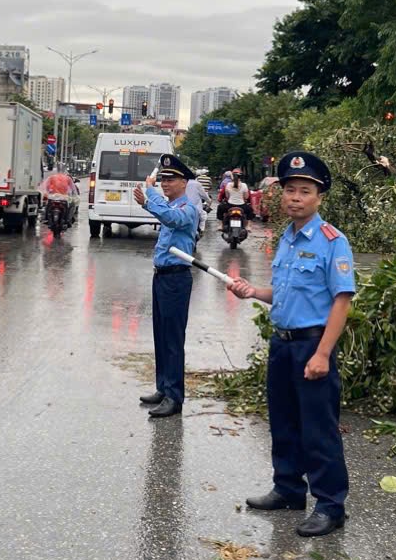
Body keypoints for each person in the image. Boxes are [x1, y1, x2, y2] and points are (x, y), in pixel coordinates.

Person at [230, 152, 356, 537]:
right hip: (281, 344)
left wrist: (322, 353)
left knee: (318, 428)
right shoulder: (284, 237)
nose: (295, 197)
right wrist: (254, 291)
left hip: (311, 346)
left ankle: (331, 505)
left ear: (319, 197)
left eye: (304, 191)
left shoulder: (332, 241)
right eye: (289, 190)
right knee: (283, 422)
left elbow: (342, 300)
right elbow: (285, 294)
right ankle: (287, 489)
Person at [133, 153, 200, 418]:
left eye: (171, 179)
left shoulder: (188, 209)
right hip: (161, 276)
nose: (166, 183)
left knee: (173, 339)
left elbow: (171, 218)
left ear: (185, 182)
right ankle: (162, 387)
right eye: (163, 179)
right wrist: (151, 195)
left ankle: (174, 396)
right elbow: (164, 210)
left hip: (176, 279)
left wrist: (149, 199)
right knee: (160, 336)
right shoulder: (170, 205)